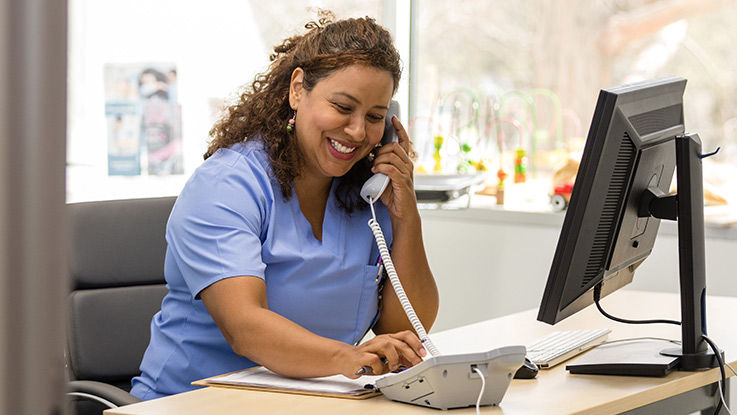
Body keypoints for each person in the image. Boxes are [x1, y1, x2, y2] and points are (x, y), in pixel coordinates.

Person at [130, 13, 439, 400]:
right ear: (297, 89)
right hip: (190, 404)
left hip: (315, 401)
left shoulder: (366, 197)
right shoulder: (228, 185)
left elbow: (407, 326)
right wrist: (349, 357)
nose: (358, 131)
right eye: (343, 107)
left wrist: (406, 215)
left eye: (375, 117)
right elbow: (245, 327)